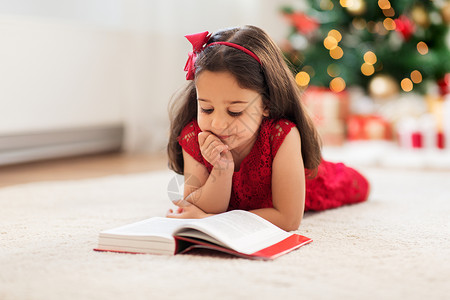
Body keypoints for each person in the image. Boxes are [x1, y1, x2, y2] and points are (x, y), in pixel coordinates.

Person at [166, 25, 369, 231]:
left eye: (235, 111)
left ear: (266, 104)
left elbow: (288, 219)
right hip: (248, 206)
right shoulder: (194, 136)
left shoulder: (282, 134)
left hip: (316, 182)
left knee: (359, 184)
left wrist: (210, 221)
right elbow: (197, 206)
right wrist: (222, 170)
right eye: (207, 109)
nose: (217, 124)